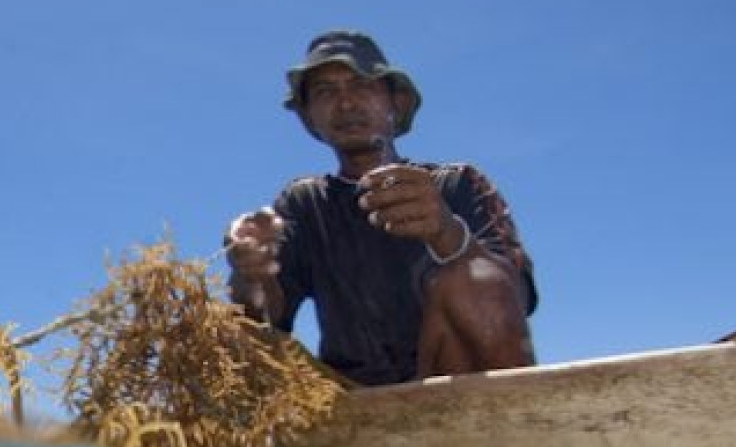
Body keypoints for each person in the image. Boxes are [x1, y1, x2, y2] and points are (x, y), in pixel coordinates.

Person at [225, 30, 537, 385]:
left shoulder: (459, 183)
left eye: (361, 85)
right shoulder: (304, 204)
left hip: (456, 388)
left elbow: (509, 303)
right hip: (351, 399)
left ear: (396, 104)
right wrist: (251, 271)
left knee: (471, 276)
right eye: (326, 92)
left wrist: (450, 236)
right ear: (310, 117)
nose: (345, 103)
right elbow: (259, 323)